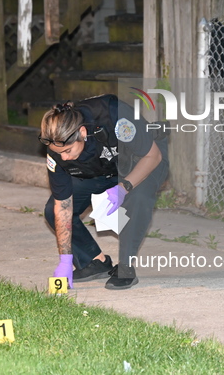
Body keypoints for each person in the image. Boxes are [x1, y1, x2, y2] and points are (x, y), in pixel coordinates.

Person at [39, 94, 169, 290]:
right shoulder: (56, 148)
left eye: (67, 151)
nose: (63, 158)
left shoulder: (115, 117)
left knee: (139, 198)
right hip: (100, 169)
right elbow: (63, 206)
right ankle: (94, 262)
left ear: (82, 132)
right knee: (52, 210)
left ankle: (125, 267)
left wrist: (123, 188)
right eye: (59, 153)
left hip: (140, 161)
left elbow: (153, 155)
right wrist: (65, 260)